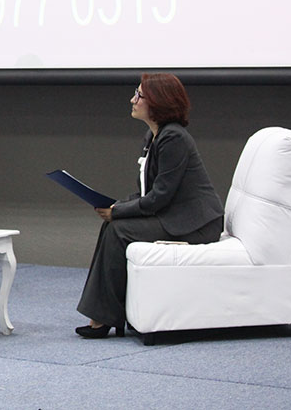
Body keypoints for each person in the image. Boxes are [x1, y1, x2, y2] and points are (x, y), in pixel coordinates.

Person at [76, 73, 224, 339]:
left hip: (196, 225)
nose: (133, 99)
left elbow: (160, 197)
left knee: (119, 230)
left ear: (158, 102)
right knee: (113, 226)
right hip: (173, 216)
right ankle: (104, 316)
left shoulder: (174, 138)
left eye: (140, 95)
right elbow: (148, 192)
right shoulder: (154, 136)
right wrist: (115, 206)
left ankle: (104, 318)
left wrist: (118, 211)